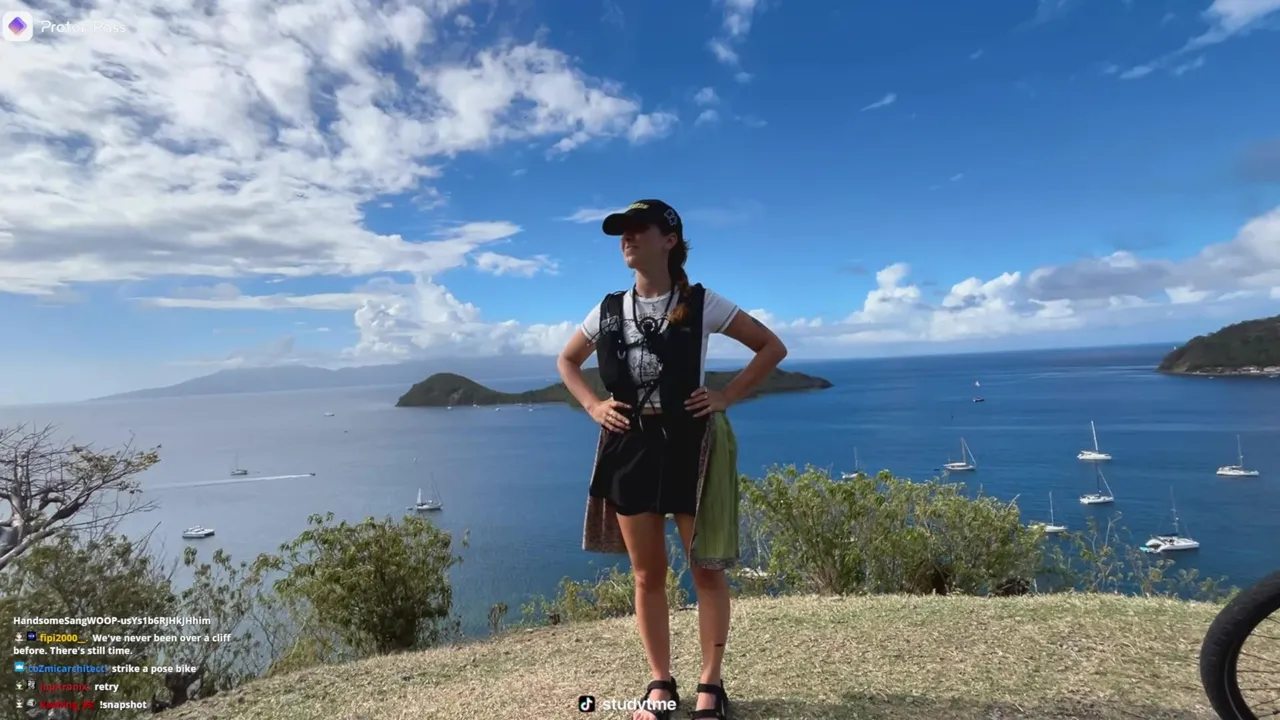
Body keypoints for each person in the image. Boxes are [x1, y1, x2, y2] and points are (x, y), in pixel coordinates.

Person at [556, 199, 788, 720]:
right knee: (647, 575)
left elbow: (770, 347)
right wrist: (593, 405)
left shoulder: (701, 302)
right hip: (629, 445)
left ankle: (711, 685)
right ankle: (660, 682)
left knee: (705, 572)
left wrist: (726, 396)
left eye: (639, 229)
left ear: (669, 240)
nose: (627, 238)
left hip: (689, 443)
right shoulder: (608, 309)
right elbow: (567, 360)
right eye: (622, 232)